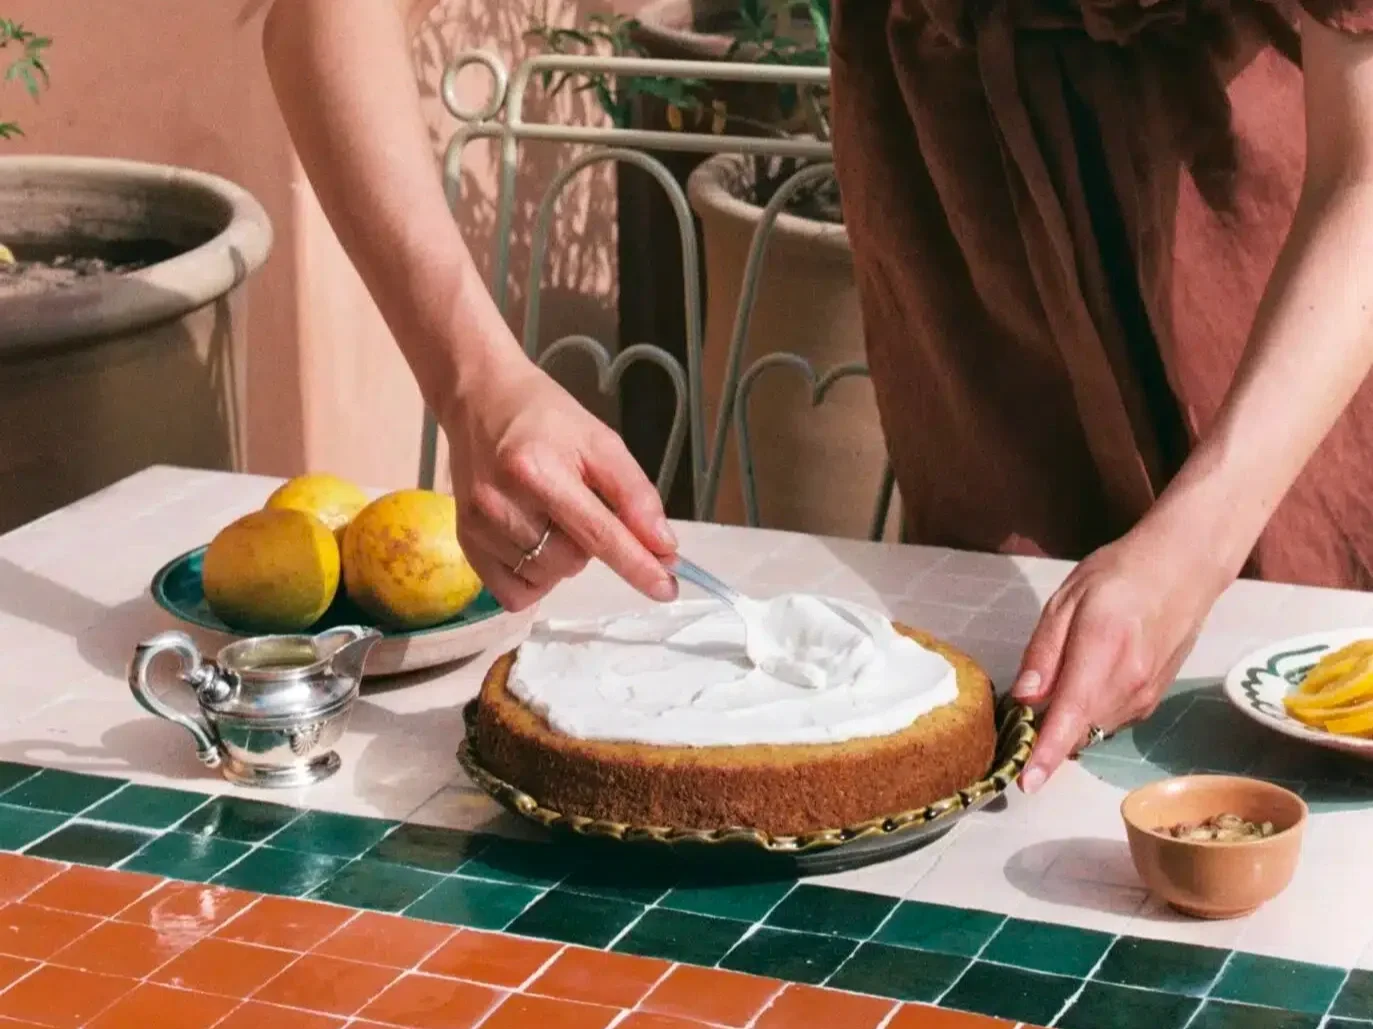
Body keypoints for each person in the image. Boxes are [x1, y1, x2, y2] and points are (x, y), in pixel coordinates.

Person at [263, 0, 1373, 792]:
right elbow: (322, 19)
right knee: (998, 772)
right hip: (964, 258)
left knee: (1291, 752)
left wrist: (1195, 537)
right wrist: (477, 382)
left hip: (1267, 292)